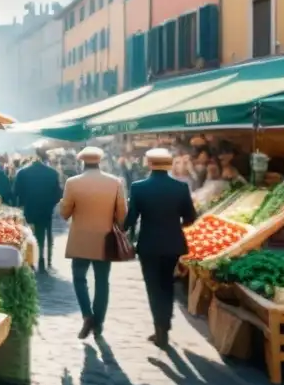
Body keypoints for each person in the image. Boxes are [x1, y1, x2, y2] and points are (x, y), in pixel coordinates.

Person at [124, 148, 197, 349]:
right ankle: (165, 324)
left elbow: (131, 219)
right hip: (173, 243)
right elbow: (191, 217)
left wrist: (118, 227)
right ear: (169, 164)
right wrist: (175, 226)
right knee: (167, 284)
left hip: (149, 245)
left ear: (148, 164)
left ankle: (160, 329)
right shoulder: (180, 187)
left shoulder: (138, 187)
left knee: (153, 287)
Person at [60, 146, 127, 340]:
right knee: (102, 281)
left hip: (80, 239)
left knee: (79, 278)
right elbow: (122, 214)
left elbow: (64, 213)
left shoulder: (72, 183)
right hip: (105, 239)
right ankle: (98, 324)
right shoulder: (115, 182)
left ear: (82, 162)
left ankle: (87, 315)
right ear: (100, 162)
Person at [13, 147, 64, 273]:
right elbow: (58, 194)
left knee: (29, 234)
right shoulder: (52, 173)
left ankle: (30, 260)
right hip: (45, 209)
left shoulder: (22, 172)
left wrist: (21, 203)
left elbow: (16, 192)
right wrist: (51, 203)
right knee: (45, 234)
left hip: (29, 208)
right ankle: (44, 260)